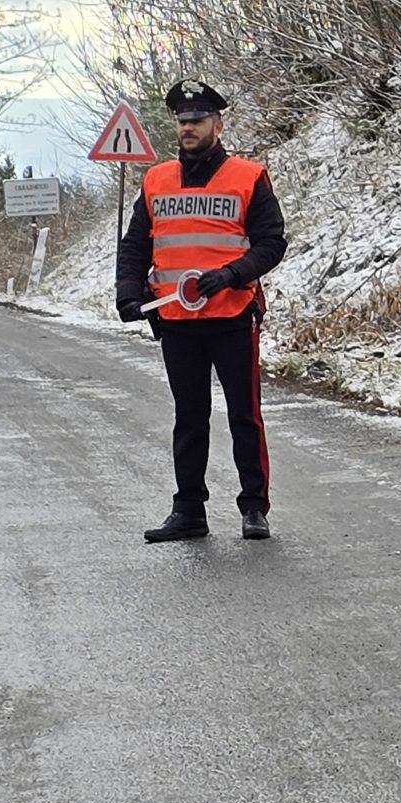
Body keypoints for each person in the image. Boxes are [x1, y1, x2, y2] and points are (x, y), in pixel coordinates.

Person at [115, 81, 288, 542]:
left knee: (243, 414)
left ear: (218, 124)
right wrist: (128, 292)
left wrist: (232, 274)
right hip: (175, 320)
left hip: (232, 314)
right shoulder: (156, 179)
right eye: (182, 121)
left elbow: (272, 243)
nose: (188, 127)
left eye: (197, 120)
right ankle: (188, 509)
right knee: (188, 416)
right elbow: (137, 244)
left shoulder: (248, 176)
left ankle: (254, 508)